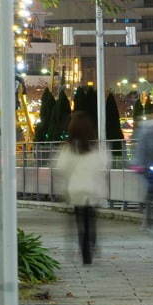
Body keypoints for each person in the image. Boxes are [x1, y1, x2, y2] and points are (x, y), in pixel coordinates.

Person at [53, 111, 109, 264]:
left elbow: (61, 167)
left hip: (75, 189)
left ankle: (84, 249)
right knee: (91, 218)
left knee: (79, 219)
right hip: (92, 189)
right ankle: (92, 243)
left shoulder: (68, 148)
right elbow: (103, 164)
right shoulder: (95, 147)